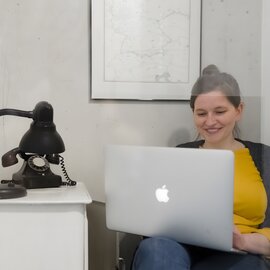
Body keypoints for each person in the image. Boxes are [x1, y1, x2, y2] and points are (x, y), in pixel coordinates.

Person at [132, 65, 270, 270]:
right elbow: (157, 213)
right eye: (201, 113)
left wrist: (243, 241)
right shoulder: (179, 154)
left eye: (220, 111)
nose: (210, 121)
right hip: (178, 245)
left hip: (238, 251)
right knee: (155, 250)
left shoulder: (263, 157)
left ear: (238, 110)